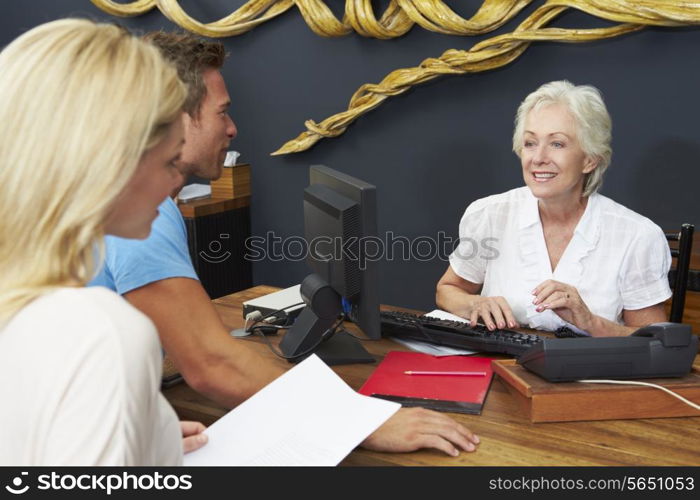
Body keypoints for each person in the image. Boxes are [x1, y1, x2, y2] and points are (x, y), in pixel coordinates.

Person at [91, 31, 480, 457]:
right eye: (222, 113)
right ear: (178, 117)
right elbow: (210, 364)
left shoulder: (108, 186)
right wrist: (360, 420)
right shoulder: (141, 204)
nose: (233, 128)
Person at [0, 19, 208, 464]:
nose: (176, 182)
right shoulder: (100, 334)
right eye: (171, 161)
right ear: (110, 163)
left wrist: (153, 435)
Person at [437, 80, 671, 338]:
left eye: (557, 144)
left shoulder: (637, 235)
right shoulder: (490, 214)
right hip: (500, 367)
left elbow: (653, 342)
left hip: (590, 374)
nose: (538, 158)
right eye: (530, 143)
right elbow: (447, 290)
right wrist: (474, 303)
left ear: (590, 159)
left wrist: (590, 322)